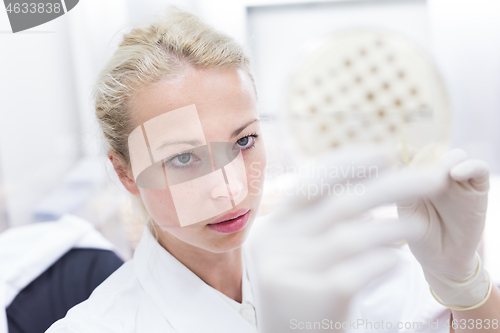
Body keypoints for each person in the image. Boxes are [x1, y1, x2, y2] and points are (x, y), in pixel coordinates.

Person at [46, 6, 500, 333]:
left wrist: (463, 283)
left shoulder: (336, 261)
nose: (231, 189)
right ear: (125, 173)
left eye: (244, 141)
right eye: (183, 158)